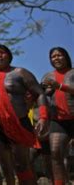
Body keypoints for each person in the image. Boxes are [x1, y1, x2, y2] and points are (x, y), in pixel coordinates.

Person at [0, 44, 49, 185]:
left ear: (9, 56)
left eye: (2, 52)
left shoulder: (21, 73)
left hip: (18, 123)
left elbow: (39, 93)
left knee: (21, 165)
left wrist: (43, 117)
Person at [42, 47, 73, 185]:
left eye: (59, 55)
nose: (56, 58)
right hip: (58, 121)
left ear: (66, 57)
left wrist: (60, 86)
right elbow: (41, 96)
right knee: (55, 153)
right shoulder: (48, 76)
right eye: (53, 56)